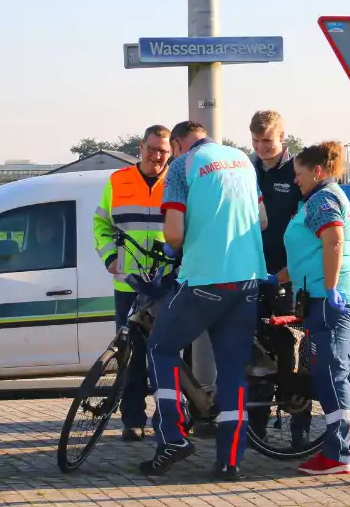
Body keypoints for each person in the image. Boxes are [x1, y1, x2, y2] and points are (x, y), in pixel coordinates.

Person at [141, 120, 268, 479]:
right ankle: (230, 461)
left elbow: (175, 234)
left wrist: (173, 241)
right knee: (233, 370)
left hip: (204, 280)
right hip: (247, 279)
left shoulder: (182, 166)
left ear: (178, 144)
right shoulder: (243, 159)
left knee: (161, 349)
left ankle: (173, 437)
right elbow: (260, 220)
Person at [267, 141, 350, 475]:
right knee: (335, 371)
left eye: (299, 174)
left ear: (317, 171)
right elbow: (306, 256)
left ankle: (338, 455)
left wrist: (333, 287)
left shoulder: (322, 198)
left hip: (329, 297)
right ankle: (343, 448)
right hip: (324, 293)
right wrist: (274, 278)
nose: (295, 181)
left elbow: (334, 240)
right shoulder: (325, 196)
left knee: (331, 371)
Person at [92, 124, 172, 441]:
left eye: (164, 151)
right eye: (152, 149)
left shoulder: (178, 181)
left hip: (168, 283)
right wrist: (111, 258)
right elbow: (101, 224)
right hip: (129, 283)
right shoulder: (119, 180)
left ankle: (169, 420)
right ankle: (133, 419)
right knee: (131, 355)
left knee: (168, 353)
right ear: (141, 147)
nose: (157, 156)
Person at [246, 110, 310, 446]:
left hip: (289, 276)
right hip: (254, 273)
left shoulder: (297, 171)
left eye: (267, 141)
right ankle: (256, 426)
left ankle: (299, 424)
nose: (261, 147)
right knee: (255, 351)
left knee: (291, 351)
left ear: (282, 137)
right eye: (255, 141)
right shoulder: (247, 168)